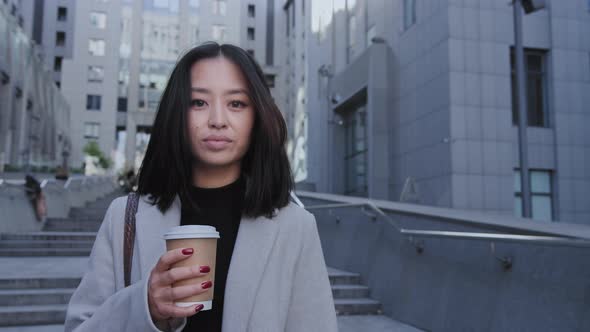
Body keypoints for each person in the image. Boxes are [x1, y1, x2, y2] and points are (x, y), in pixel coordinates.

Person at [64, 42, 338, 332]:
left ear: (257, 116)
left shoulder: (295, 227)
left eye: (236, 103)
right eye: (198, 102)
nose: (217, 121)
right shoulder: (124, 218)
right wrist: (144, 306)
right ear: (177, 113)